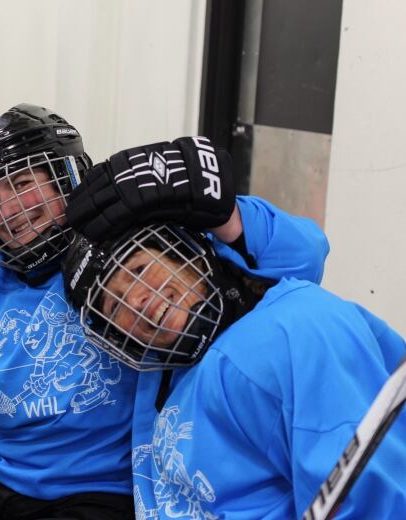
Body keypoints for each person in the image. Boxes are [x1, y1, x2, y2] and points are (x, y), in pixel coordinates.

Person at [0, 101, 330, 519]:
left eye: (23, 184)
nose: (9, 210)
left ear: (66, 177)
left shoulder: (133, 241)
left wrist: (227, 216)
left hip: (102, 490)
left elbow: (305, 259)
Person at [63, 192, 406, 516]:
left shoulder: (294, 327)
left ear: (184, 253)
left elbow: (369, 497)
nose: (134, 300)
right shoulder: (160, 377)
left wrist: (227, 213)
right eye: (112, 304)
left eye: (138, 270)